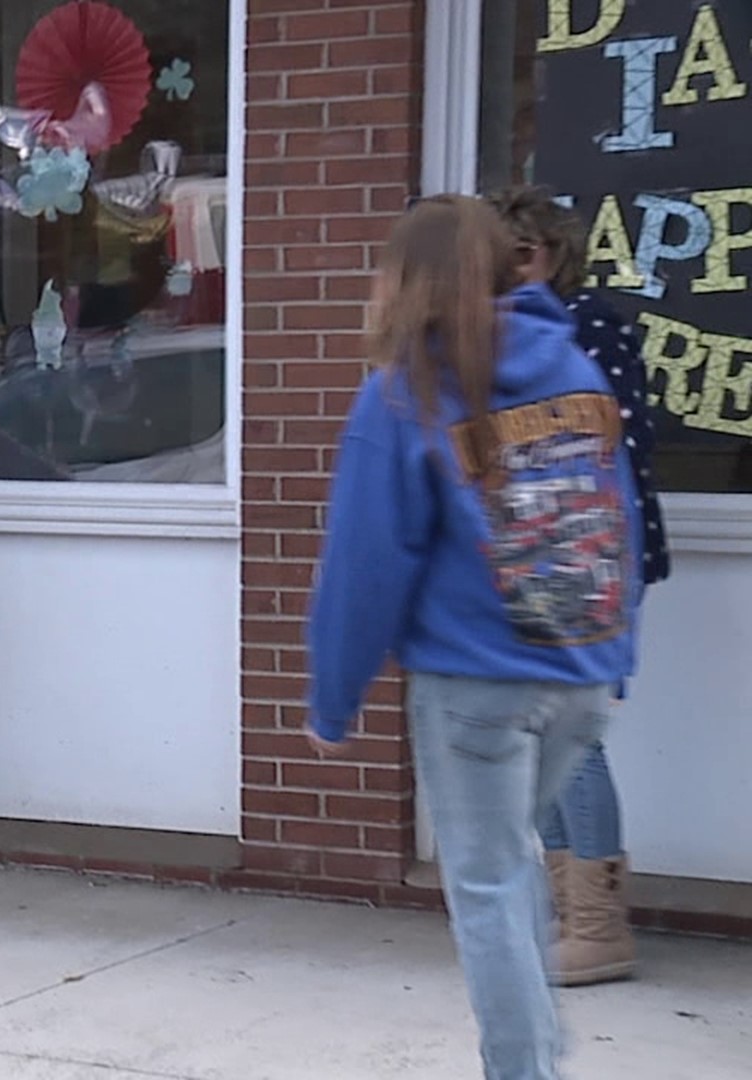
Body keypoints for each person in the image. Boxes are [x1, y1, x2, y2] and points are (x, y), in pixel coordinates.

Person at [306, 196, 641, 1080]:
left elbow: (365, 563)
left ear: (408, 278)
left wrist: (331, 701)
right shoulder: (575, 368)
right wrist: (620, 654)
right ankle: (535, 1042)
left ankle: (524, 1068)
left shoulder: (405, 391)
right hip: (579, 679)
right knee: (515, 865)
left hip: (476, 690)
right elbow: (620, 517)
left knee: (488, 887)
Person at [489, 186, 665, 987]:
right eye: (497, 255)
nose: (508, 270)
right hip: (523, 556)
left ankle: (597, 925)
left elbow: (610, 455)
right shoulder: (492, 337)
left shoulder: (596, 330)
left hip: (585, 554)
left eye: (522, 253)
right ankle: (568, 914)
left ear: (556, 255)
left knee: (576, 738)